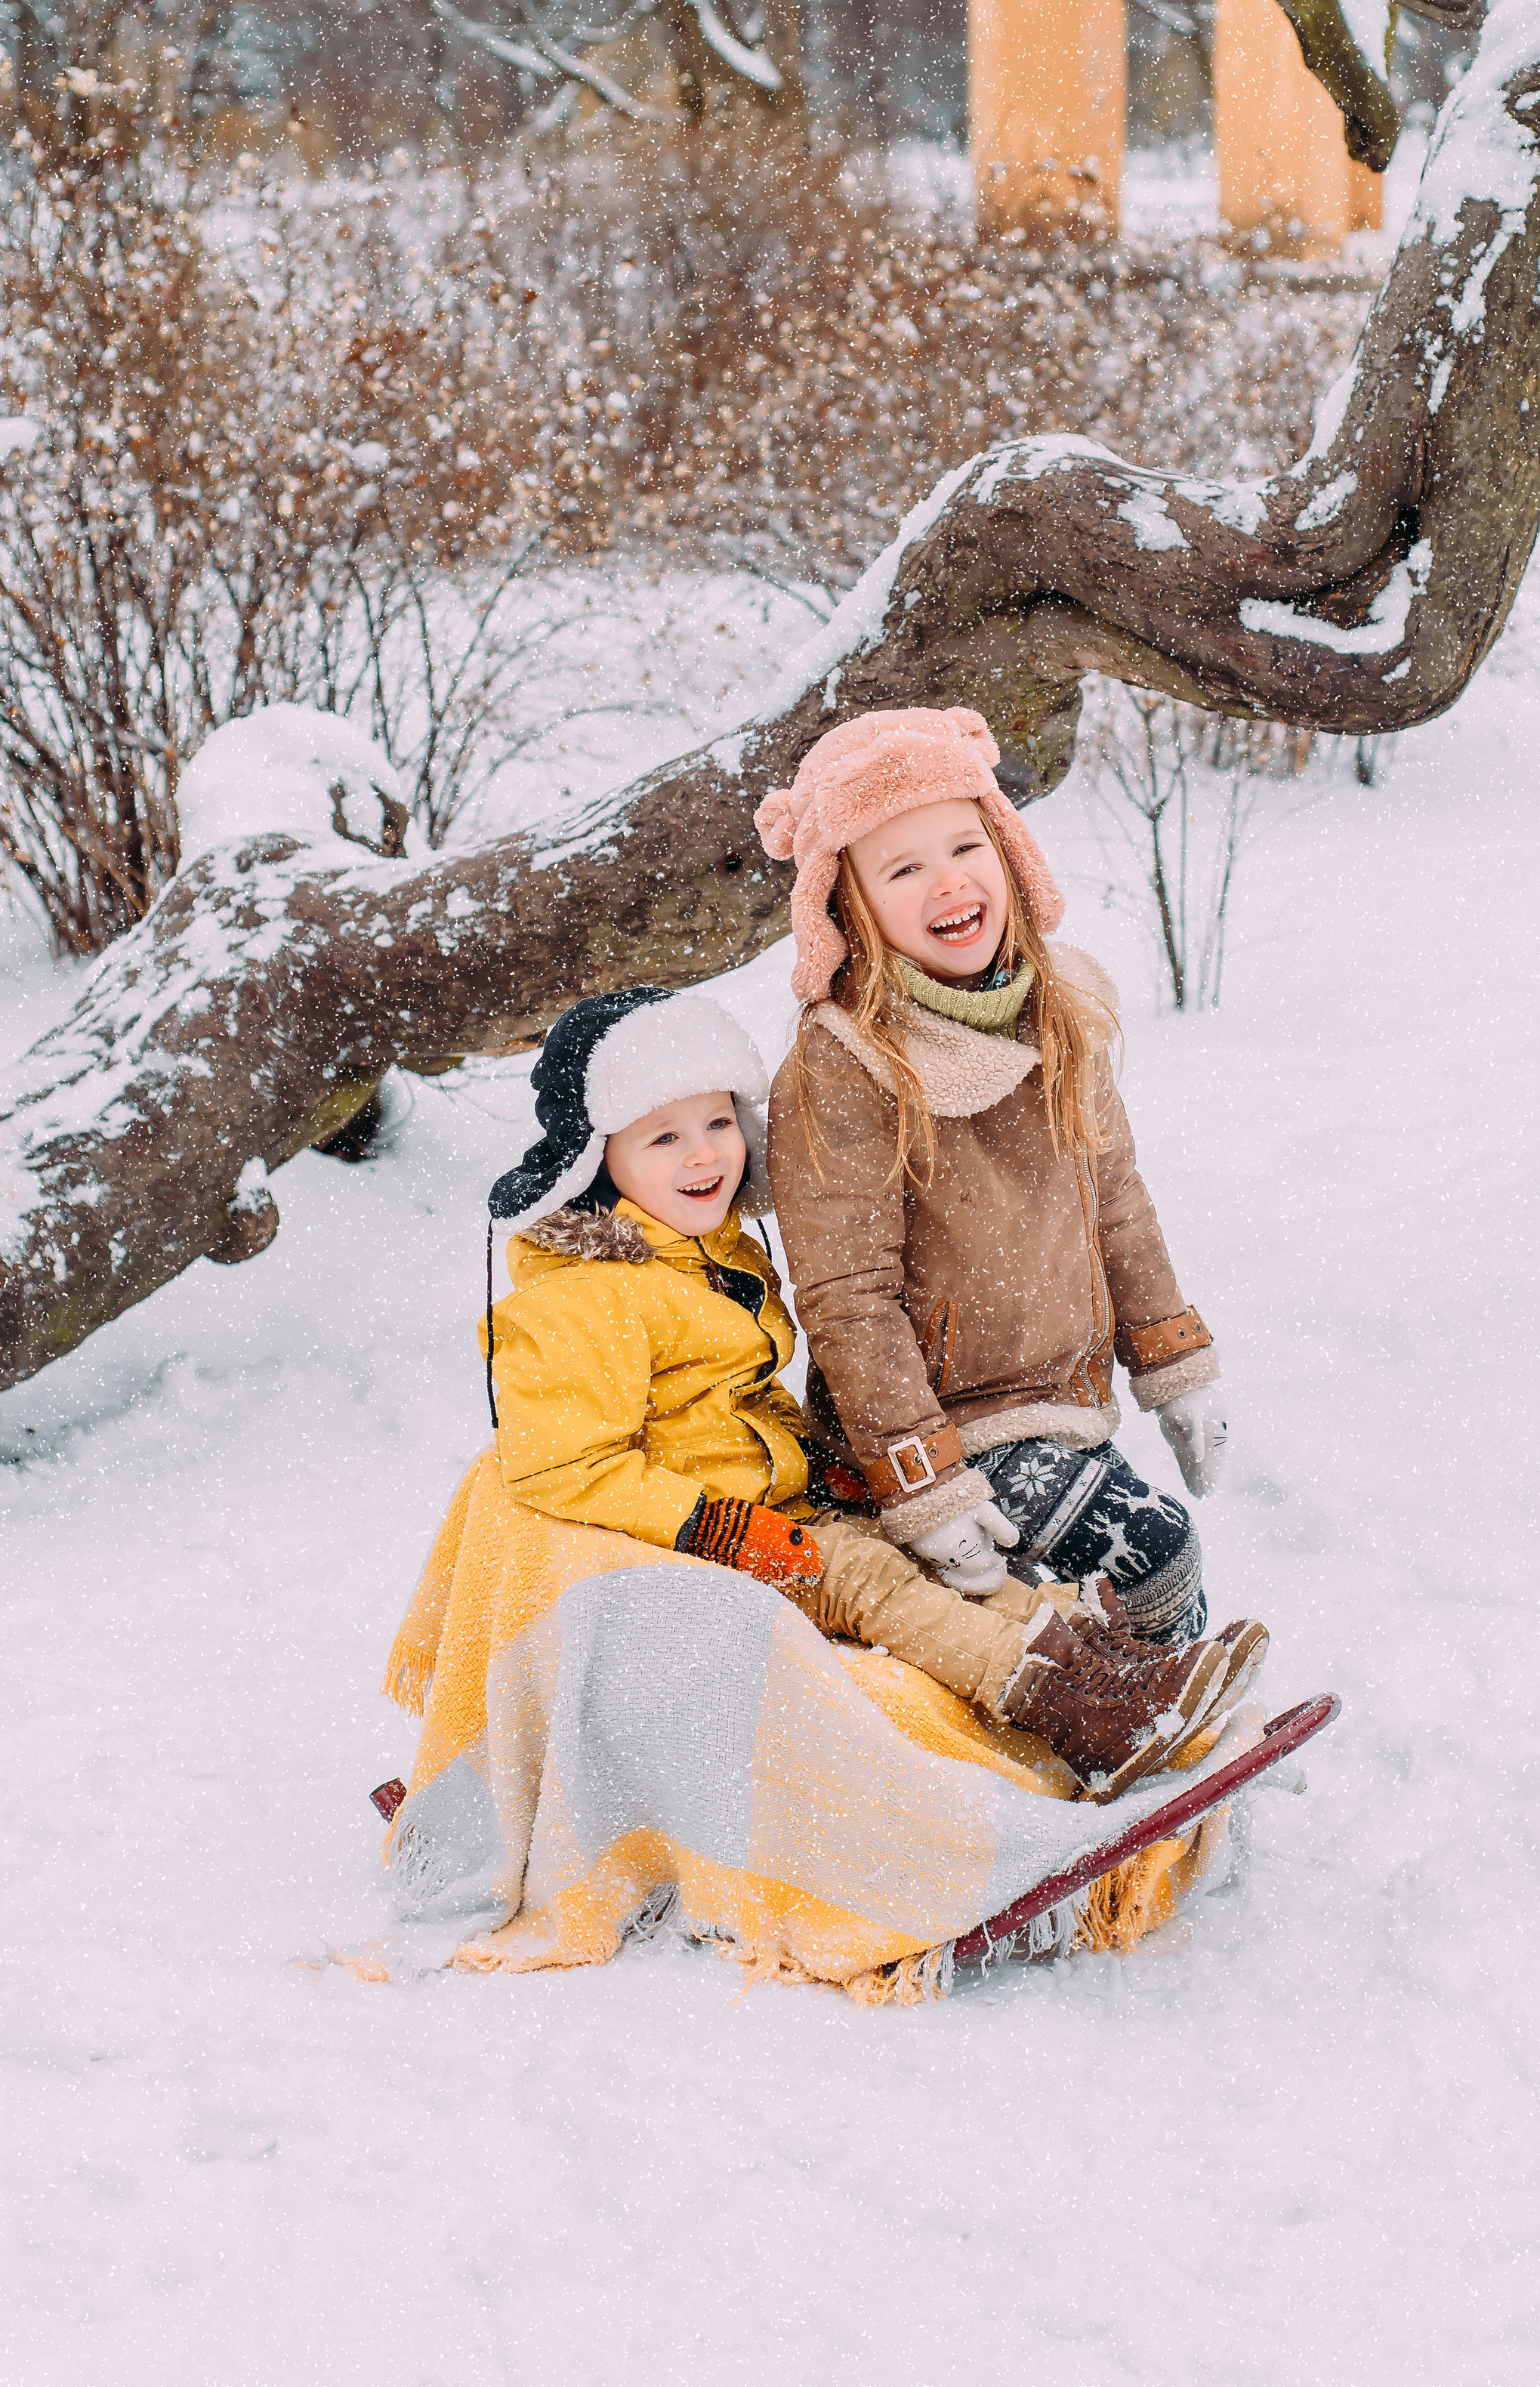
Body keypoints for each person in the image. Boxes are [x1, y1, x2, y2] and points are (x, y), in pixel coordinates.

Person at [471, 982, 1258, 1801]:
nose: (703, 1155)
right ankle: (1074, 1712)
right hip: (704, 1538)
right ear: (600, 1159)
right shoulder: (579, 1297)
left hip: (782, 1505)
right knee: (873, 1584)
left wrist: (816, 1466)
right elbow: (559, 1467)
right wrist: (718, 1527)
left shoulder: (709, 1256)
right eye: (663, 1137)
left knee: (921, 1561)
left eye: (716, 1123)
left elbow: (734, 1410)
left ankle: (1105, 1669)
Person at [759, 706, 1264, 1687]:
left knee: (1146, 1598)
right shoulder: (845, 1063)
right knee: (1152, 1552)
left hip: (1063, 1404)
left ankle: (1153, 1735)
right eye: (902, 867)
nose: (949, 878)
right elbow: (846, 1299)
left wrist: (1176, 1364)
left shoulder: (1059, 1008)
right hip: (947, 1426)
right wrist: (924, 1481)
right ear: (847, 904)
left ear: (1010, 850)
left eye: (965, 843)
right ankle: (1119, 1737)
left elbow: (1115, 1197)